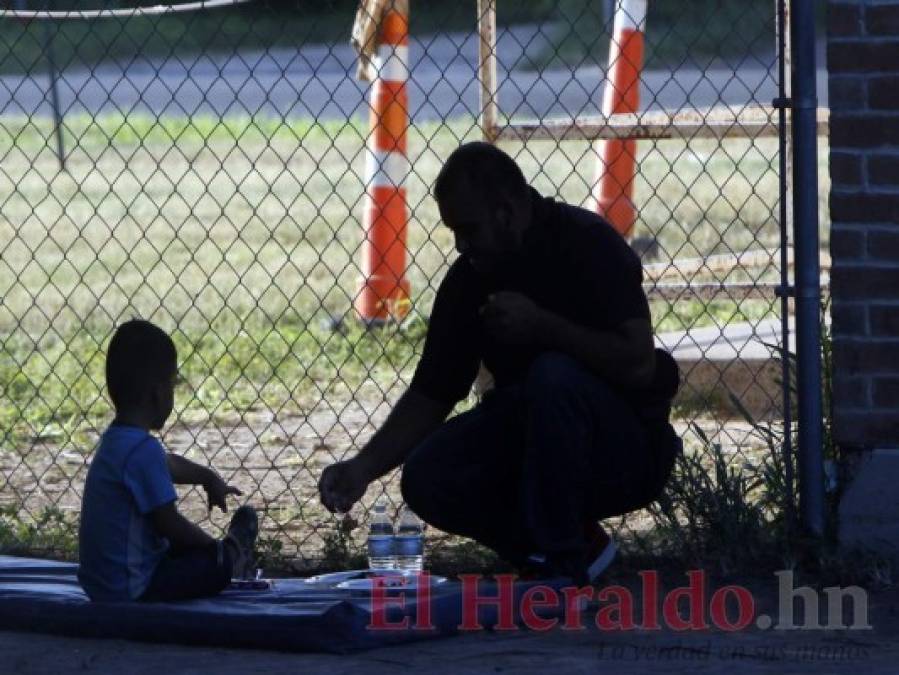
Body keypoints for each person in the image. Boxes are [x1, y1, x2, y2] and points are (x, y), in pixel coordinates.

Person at [319, 142, 681, 584]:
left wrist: (543, 326)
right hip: (533, 443)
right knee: (429, 475)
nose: (460, 245)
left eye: (469, 230)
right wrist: (362, 468)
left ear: (506, 211)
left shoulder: (587, 243)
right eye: (453, 231)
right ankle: (562, 546)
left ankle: (563, 565)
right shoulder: (471, 277)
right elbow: (432, 394)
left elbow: (639, 365)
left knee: (554, 376)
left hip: (623, 450)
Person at [78, 319, 258, 602]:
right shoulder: (142, 450)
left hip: (101, 585)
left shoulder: (117, 441)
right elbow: (168, 523)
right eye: (173, 384)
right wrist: (212, 548)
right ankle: (234, 556)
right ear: (158, 393)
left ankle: (222, 554)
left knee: (181, 548)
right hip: (132, 588)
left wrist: (207, 477)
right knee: (210, 564)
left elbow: (166, 463)